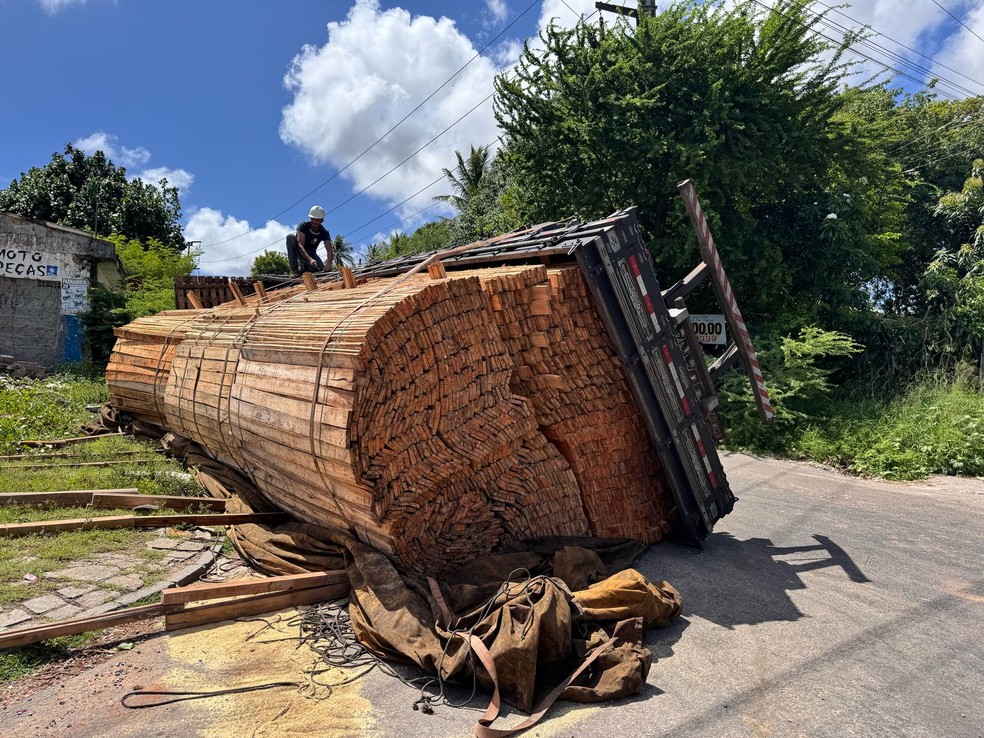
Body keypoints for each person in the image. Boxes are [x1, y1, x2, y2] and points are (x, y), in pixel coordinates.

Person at [289, 205, 334, 275]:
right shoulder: (303, 225)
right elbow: (300, 245)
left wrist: (329, 263)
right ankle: (295, 271)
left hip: (311, 253)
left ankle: (304, 269)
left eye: (317, 220)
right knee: (290, 237)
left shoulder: (324, 232)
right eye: (312, 219)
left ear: (322, 220)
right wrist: (310, 259)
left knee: (320, 269)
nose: (314, 222)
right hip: (298, 250)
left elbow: (330, 251)